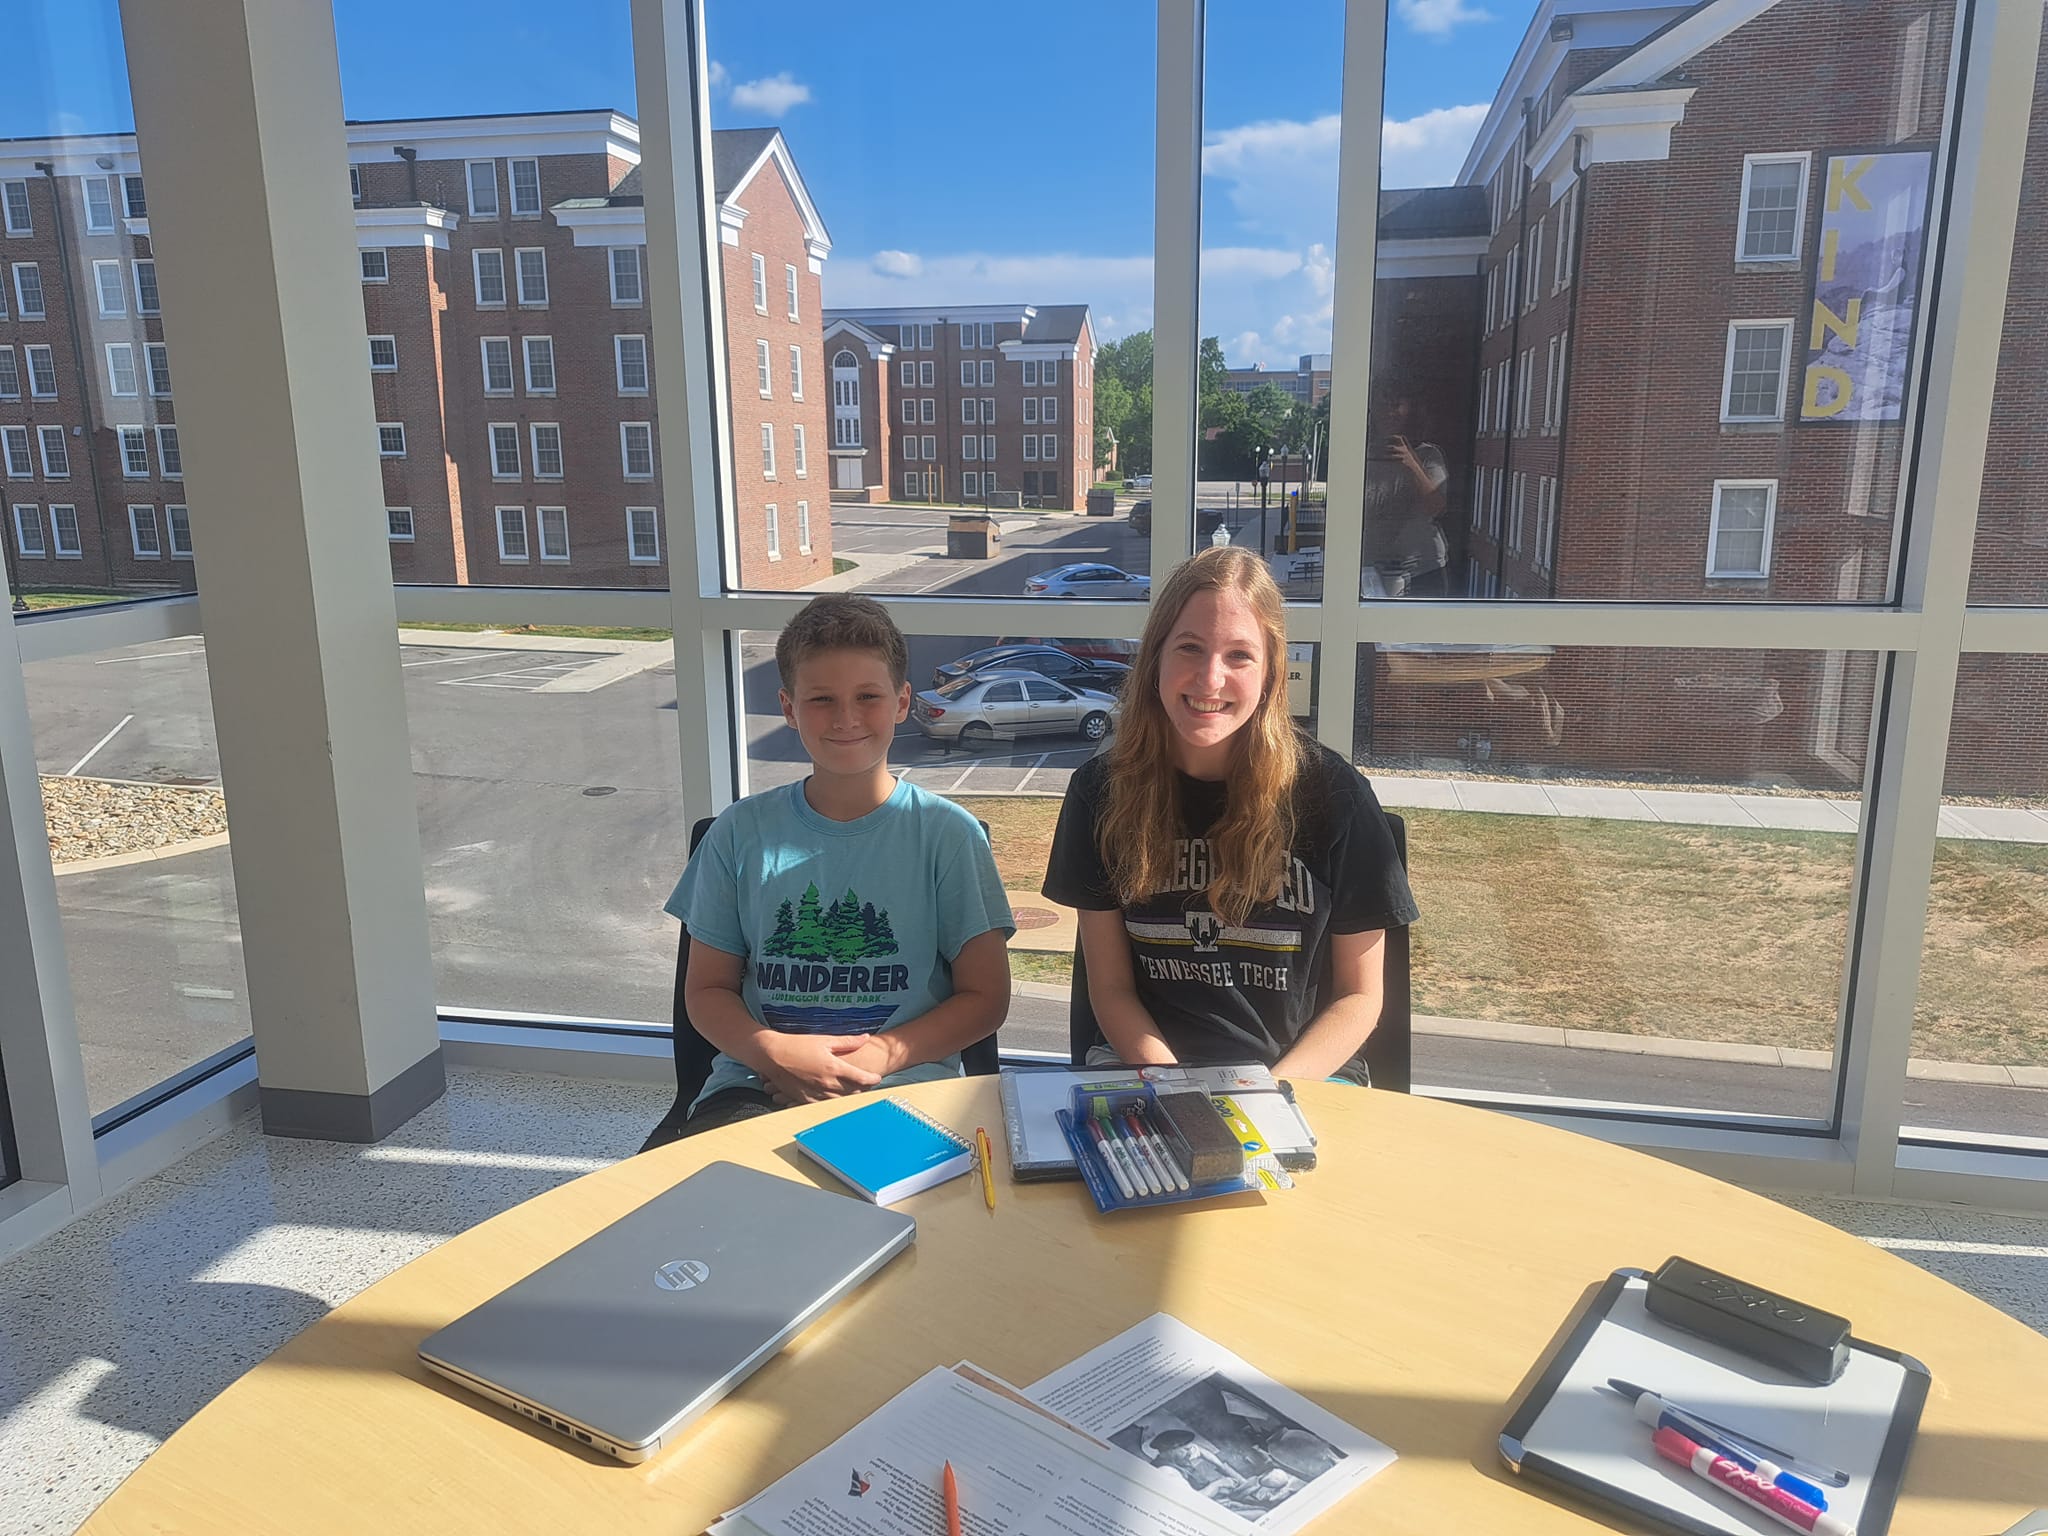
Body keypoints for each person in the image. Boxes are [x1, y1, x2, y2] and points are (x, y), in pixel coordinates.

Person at [1044, 547, 1417, 1079]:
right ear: (1155, 660)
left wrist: (1267, 1097)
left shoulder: (1335, 795)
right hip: (1148, 1069)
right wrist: (1179, 1091)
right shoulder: (1099, 793)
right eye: (1189, 648)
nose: (1210, 679)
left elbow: (1359, 997)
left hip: (1300, 1075)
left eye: (1239, 655)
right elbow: (1111, 990)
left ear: (1270, 675)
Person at [659, 595, 1013, 1137]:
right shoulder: (738, 832)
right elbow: (706, 992)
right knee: (725, 1189)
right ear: (789, 708)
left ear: (901, 702)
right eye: (822, 699)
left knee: (897, 1189)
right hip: (757, 1083)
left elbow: (985, 998)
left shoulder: (948, 836)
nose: (846, 718)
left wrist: (872, 1060)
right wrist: (776, 1053)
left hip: (902, 1084)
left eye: (867, 696)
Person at [1359, 390, 1450, 597]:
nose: (1389, 412)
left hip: (1422, 571)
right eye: (1383, 405)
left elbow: (1436, 507)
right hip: (1370, 569)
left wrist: (1411, 462)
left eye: (1396, 405)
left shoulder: (1428, 456)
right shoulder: (1360, 456)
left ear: (1410, 410)